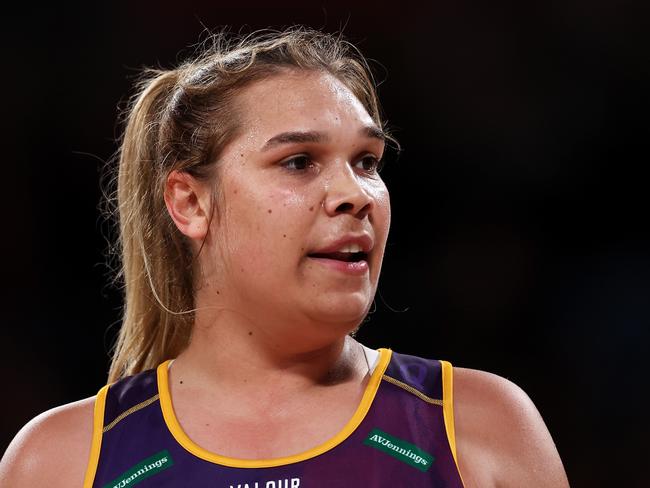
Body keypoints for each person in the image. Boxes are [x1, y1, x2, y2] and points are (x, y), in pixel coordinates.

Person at [0, 27, 570, 487]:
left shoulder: (479, 425)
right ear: (191, 202)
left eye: (367, 162)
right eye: (299, 161)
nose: (355, 194)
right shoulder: (61, 462)